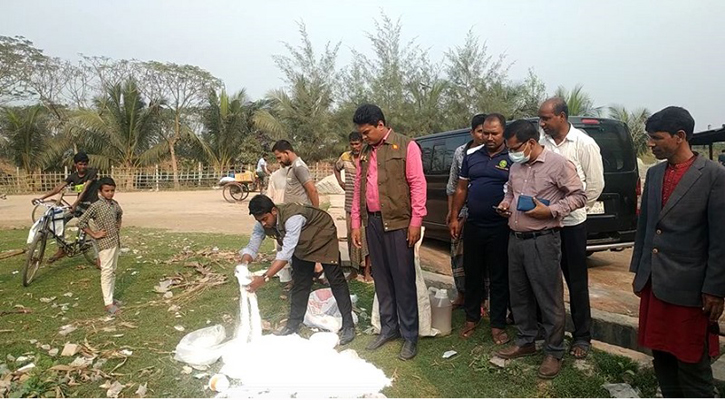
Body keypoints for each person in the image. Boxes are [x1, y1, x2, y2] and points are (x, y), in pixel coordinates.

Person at [630, 106, 725, 397]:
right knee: (661, 356)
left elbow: (720, 238)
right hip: (654, 284)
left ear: (680, 136)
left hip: (690, 289)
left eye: (656, 138)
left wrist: (715, 289)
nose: (650, 143)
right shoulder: (656, 174)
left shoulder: (714, 175)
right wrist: (639, 272)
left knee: (692, 361)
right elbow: (646, 226)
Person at [494, 120, 586, 379]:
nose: (511, 153)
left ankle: (554, 351)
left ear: (531, 143)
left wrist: (551, 211)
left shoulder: (558, 164)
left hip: (543, 240)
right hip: (516, 238)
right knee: (520, 294)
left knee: (549, 297)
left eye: (514, 147)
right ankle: (525, 341)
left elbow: (580, 195)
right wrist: (505, 204)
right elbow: (510, 194)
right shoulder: (516, 166)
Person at [350, 104, 427, 361]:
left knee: (403, 280)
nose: (363, 137)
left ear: (381, 125)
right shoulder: (364, 152)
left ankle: (409, 336)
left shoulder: (406, 146)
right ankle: (389, 328)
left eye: (367, 132)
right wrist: (355, 223)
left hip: (399, 223)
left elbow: (417, 184)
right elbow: (359, 188)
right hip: (372, 222)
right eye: (361, 133)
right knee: (381, 279)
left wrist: (416, 220)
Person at [538, 97, 604, 359]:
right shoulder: (540, 144)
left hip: (572, 226)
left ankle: (582, 336)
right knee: (545, 281)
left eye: (546, 118)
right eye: (540, 118)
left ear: (562, 117)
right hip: (544, 225)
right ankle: (548, 331)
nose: (541, 123)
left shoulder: (584, 144)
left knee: (576, 282)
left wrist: (569, 208)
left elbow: (596, 186)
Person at [242, 194, 355, 345]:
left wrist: (264, 278)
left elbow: (285, 253)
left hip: (322, 235)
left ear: (274, 211)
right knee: (301, 283)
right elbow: (254, 242)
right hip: (302, 243)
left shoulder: (292, 218)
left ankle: (348, 325)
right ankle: (293, 324)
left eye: (264, 219)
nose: (263, 224)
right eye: (259, 220)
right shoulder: (263, 223)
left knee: (335, 279)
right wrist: (245, 262)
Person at [449, 113, 511, 344]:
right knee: (472, 273)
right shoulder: (471, 156)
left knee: (498, 276)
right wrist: (455, 217)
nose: (489, 137)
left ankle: (497, 325)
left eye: (494, 133)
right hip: (474, 225)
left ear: (503, 132)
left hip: (501, 227)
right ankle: (472, 319)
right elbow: (461, 189)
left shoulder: (512, 157)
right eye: (485, 132)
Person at [446, 113, 487, 309]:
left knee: (482, 260)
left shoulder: (495, 154)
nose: (484, 136)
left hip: (481, 215)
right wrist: (453, 215)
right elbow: (453, 186)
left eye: (487, 132)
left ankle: (483, 299)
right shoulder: (461, 153)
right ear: (472, 132)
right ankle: (462, 294)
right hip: (461, 212)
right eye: (480, 132)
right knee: (458, 256)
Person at [32, 151, 100, 263]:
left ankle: (98, 258)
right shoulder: (73, 176)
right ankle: (62, 248)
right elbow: (58, 188)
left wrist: (75, 203)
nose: (83, 166)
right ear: (75, 165)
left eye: (84, 164)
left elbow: (85, 189)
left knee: (91, 231)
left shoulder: (92, 172)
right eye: (80, 164)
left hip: (92, 205)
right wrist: (42, 198)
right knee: (59, 221)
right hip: (80, 205)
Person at [77, 177, 123, 315]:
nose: (110, 193)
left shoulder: (114, 204)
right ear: (100, 191)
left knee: (113, 270)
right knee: (107, 271)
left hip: (115, 241)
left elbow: (120, 214)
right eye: (107, 191)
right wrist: (94, 234)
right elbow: (81, 222)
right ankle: (108, 303)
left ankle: (111, 298)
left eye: (112, 190)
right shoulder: (96, 206)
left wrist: (118, 226)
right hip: (105, 244)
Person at [334, 131, 372, 283]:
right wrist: (340, 182)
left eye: (358, 144)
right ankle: (354, 270)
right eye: (353, 144)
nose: (356, 147)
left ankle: (367, 270)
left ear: (362, 143)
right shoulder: (344, 157)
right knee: (351, 237)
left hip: (367, 205)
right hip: (350, 204)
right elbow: (336, 168)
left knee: (367, 238)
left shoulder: (368, 157)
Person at [272, 140, 319, 207]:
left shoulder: (299, 167)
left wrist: (316, 213)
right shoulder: (292, 167)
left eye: (280, 157)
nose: (279, 161)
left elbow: (312, 190)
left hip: (300, 213)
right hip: (293, 213)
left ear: (286, 153)